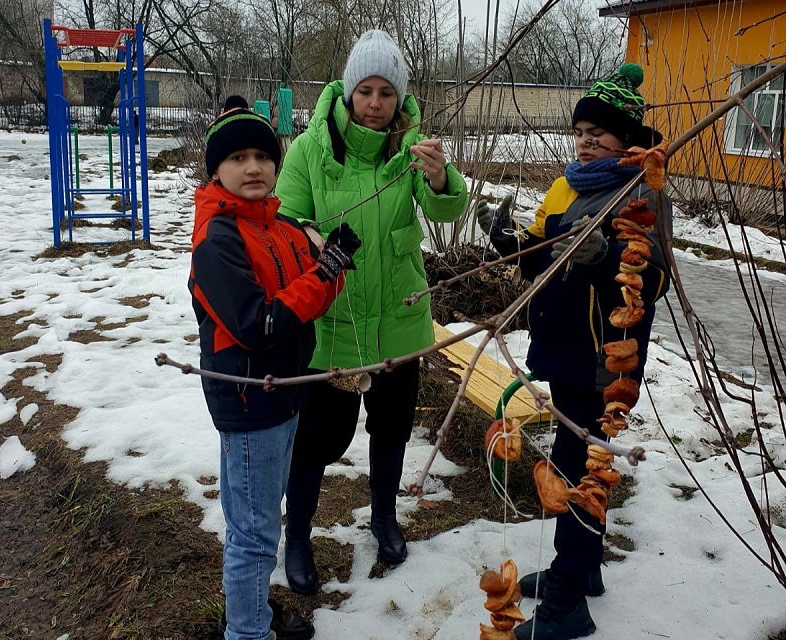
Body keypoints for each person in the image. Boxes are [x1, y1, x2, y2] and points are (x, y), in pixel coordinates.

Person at [477, 63, 672, 640]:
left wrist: (605, 261)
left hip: (600, 357)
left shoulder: (640, 190)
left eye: (599, 134)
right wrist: (512, 241)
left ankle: (567, 602)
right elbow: (547, 258)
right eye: (581, 131)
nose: (586, 142)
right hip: (563, 348)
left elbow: (651, 277)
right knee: (580, 458)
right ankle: (581, 572)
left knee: (578, 466)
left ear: (626, 141)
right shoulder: (575, 183)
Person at [273, 30, 468, 594]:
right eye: (366, 90)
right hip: (333, 323)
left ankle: (384, 519)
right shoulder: (312, 148)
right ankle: (300, 534)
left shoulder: (412, 143)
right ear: (348, 91)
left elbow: (447, 206)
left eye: (386, 92)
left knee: (391, 428)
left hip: (400, 318)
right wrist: (316, 240)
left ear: (398, 97)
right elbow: (285, 220)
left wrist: (438, 175)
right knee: (317, 438)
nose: (376, 103)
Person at [190, 107, 361, 640]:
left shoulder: (280, 227)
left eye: (263, 155)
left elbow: (310, 297)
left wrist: (331, 265)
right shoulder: (218, 239)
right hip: (250, 402)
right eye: (237, 157)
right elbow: (258, 324)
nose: (253, 167)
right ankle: (246, 632)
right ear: (216, 169)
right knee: (255, 532)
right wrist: (323, 275)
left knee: (259, 516)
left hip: (287, 394)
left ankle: (250, 613)